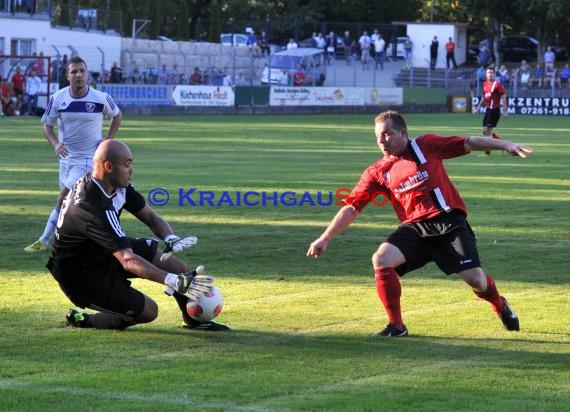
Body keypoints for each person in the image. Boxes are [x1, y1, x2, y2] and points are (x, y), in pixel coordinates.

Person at [307, 110, 532, 337]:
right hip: (415, 229)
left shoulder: (427, 145)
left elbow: (468, 142)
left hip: (449, 223)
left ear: (403, 132)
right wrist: (325, 237)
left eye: (387, 134)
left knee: (477, 281)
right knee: (381, 259)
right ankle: (397, 326)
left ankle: (499, 304)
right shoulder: (377, 171)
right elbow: (352, 207)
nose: (382, 140)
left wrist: (505, 145)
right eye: (378, 136)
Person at [46, 139, 230, 331]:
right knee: (149, 311)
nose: (131, 170)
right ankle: (85, 320)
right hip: (81, 275)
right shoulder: (91, 206)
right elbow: (127, 259)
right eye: (127, 164)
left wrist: (169, 237)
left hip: (102, 253)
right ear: (108, 166)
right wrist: (171, 280)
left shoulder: (113, 186)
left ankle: (193, 320)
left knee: (177, 266)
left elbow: (150, 216)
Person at [24, 56, 123, 253]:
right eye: (74, 72)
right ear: (67, 76)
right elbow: (47, 125)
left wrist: (107, 140)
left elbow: (117, 116)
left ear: (87, 74)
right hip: (66, 159)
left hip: (89, 159)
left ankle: (44, 240)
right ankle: (82, 239)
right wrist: (55, 143)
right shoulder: (59, 98)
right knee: (72, 204)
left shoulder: (100, 97)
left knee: (63, 198)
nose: (78, 75)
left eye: (82, 71)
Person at [473, 66, 508, 155]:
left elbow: (503, 97)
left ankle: (487, 150)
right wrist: (478, 107)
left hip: (495, 110)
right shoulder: (484, 84)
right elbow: (484, 97)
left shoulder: (497, 85)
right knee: (485, 131)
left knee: (487, 130)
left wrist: (505, 111)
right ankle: (500, 143)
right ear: (486, 74)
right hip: (488, 110)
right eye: (488, 73)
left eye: (491, 73)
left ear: (494, 74)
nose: (490, 74)